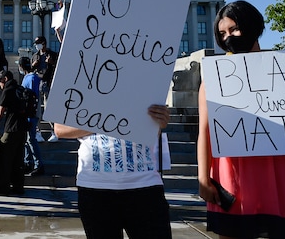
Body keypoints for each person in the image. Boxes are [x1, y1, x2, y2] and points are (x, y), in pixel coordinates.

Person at [197, 0, 285, 239]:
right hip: (234, 170)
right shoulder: (214, 76)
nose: (228, 37)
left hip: (281, 167)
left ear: (252, 27)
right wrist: (202, 178)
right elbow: (204, 131)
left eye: (234, 29)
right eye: (222, 33)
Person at [55, 105, 172, 239]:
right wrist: (109, 119)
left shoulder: (147, 84)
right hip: (96, 187)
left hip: (145, 183)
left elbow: (153, 132)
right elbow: (60, 129)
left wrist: (159, 120)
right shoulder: (76, 84)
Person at [0, 70, 27, 195]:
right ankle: (18, 186)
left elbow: (0, 112)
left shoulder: (7, 90)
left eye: (0, 81)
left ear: (5, 79)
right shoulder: (20, 89)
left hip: (11, 129)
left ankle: (3, 187)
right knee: (18, 159)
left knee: (5, 158)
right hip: (23, 129)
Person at [18, 57, 44, 175]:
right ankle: (27, 162)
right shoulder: (28, 77)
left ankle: (38, 164)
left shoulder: (32, 78)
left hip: (31, 113)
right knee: (27, 140)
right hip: (27, 112)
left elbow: (33, 97)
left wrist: (31, 113)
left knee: (31, 139)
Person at [31, 36, 59, 142]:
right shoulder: (35, 56)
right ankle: (38, 131)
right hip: (38, 83)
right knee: (36, 109)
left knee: (49, 109)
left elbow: (59, 67)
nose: (37, 45)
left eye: (38, 43)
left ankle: (54, 131)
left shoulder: (52, 54)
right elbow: (30, 69)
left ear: (43, 43)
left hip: (48, 83)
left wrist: (52, 63)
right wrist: (34, 65)